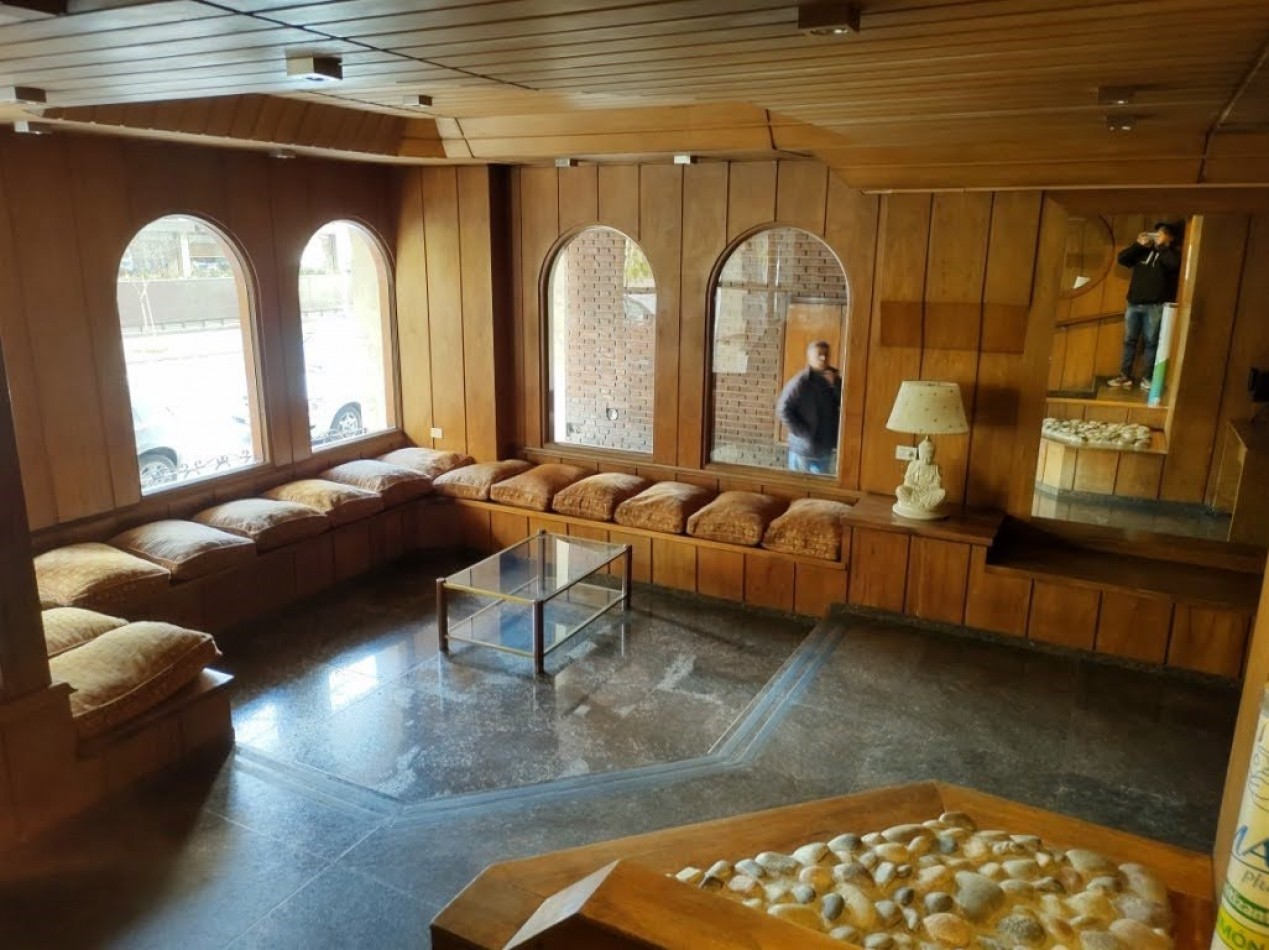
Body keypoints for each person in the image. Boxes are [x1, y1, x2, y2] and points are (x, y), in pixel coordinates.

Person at [1108, 221, 1181, 389]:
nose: (1158, 235)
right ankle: (1124, 376)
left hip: (1155, 306)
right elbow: (1122, 259)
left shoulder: (1171, 254)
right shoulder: (1143, 251)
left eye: (1163, 233)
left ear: (1170, 237)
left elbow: (1173, 265)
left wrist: (1162, 247)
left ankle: (1147, 378)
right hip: (1133, 303)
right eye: (1157, 232)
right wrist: (1138, 245)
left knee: (1151, 342)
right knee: (1129, 341)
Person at [777, 340, 842, 474]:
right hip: (803, 450)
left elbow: (845, 404)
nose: (823, 358)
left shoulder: (834, 379)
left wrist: (834, 385)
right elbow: (783, 409)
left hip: (825, 448)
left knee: (822, 485)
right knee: (798, 485)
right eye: (819, 355)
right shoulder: (801, 381)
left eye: (826, 355)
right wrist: (804, 433)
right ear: (810, 357)